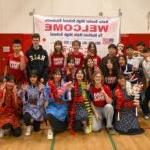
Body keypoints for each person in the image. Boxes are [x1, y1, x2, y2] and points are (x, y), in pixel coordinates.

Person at [44, 69, 72, 139]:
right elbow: (46, 95)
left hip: (62, 105)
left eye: (59, 74)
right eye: (56, 74)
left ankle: (57, 128)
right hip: (52, 105)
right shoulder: (48, 84)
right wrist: (47, 100)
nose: (57, 76)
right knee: (49, 115)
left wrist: (69, 91)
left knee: (62, 124)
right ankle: (54, 128)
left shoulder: (64, 83)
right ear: (53, 75)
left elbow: (68, 98)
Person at [19, 70, 45, 136]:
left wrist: (39, 92)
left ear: (37, 78)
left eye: (34, 77)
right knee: (26, 117)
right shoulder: (26, 86)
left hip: (38, 108)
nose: (33, 79)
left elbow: (42, 102)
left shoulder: (41, 86)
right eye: (31, 77)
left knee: (36, 129)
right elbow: (24, 101)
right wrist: (24, 92)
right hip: (29, 107)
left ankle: (34, 122)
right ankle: (28, 126)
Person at [68, 69, 92, 134]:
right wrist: (70, 91)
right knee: (76, 128)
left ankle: (84, 125)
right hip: (74, 107)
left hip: (83, 106)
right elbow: (69, 99)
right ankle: (80, 123)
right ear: (75, 75)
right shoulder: (72, 84)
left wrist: (88, 90)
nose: (79, 74)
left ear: (83, 75)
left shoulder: (86, 85)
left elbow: (90, 100)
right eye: (78, 73)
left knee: (83, 115)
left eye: (81, 73)